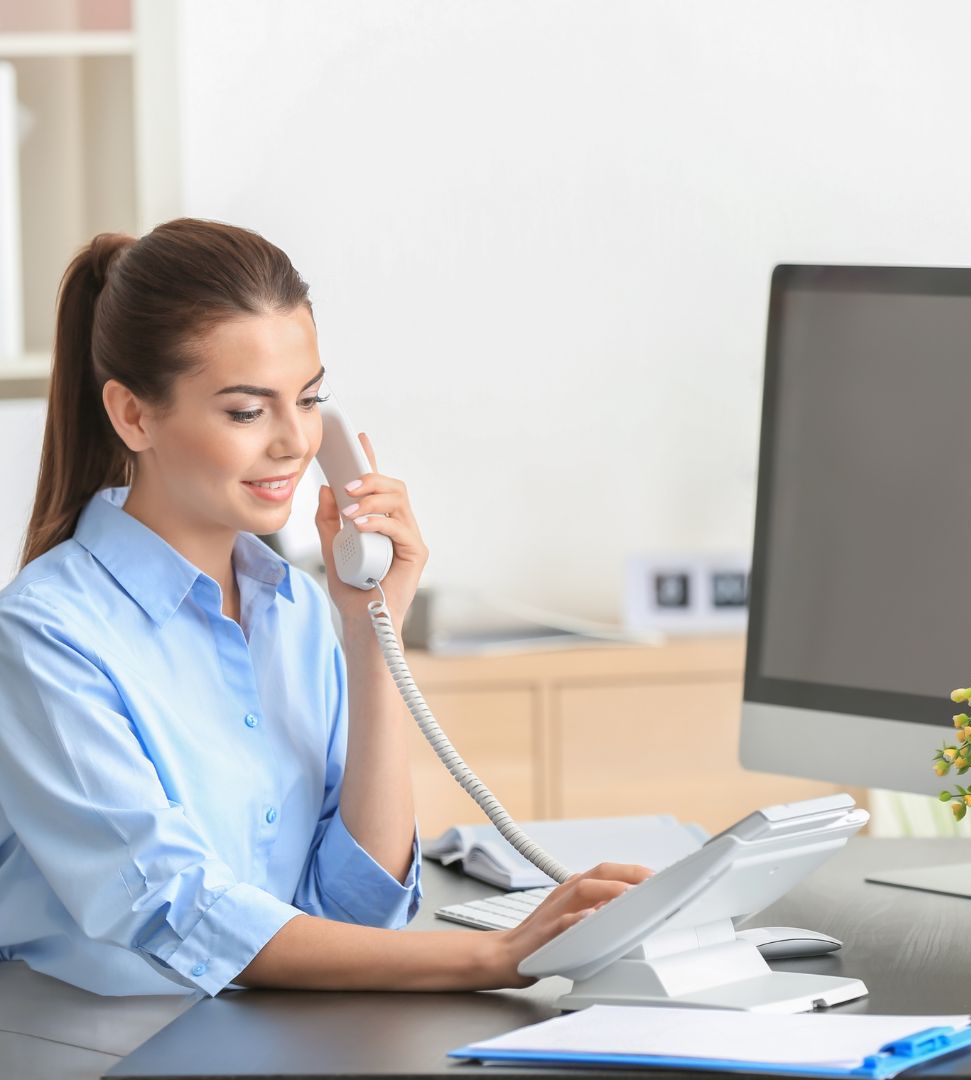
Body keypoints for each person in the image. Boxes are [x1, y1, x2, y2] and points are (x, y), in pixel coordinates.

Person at [0, 218, 648, 997]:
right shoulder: (44, 636)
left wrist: (372, 632)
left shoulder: (300, 610)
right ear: (134, 415)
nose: (294, 443)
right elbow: (182, 914)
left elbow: (358, 909)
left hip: (282, 1029)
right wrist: (497, 956)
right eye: (247, 411)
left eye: (309, 400)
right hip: (102, 1049)